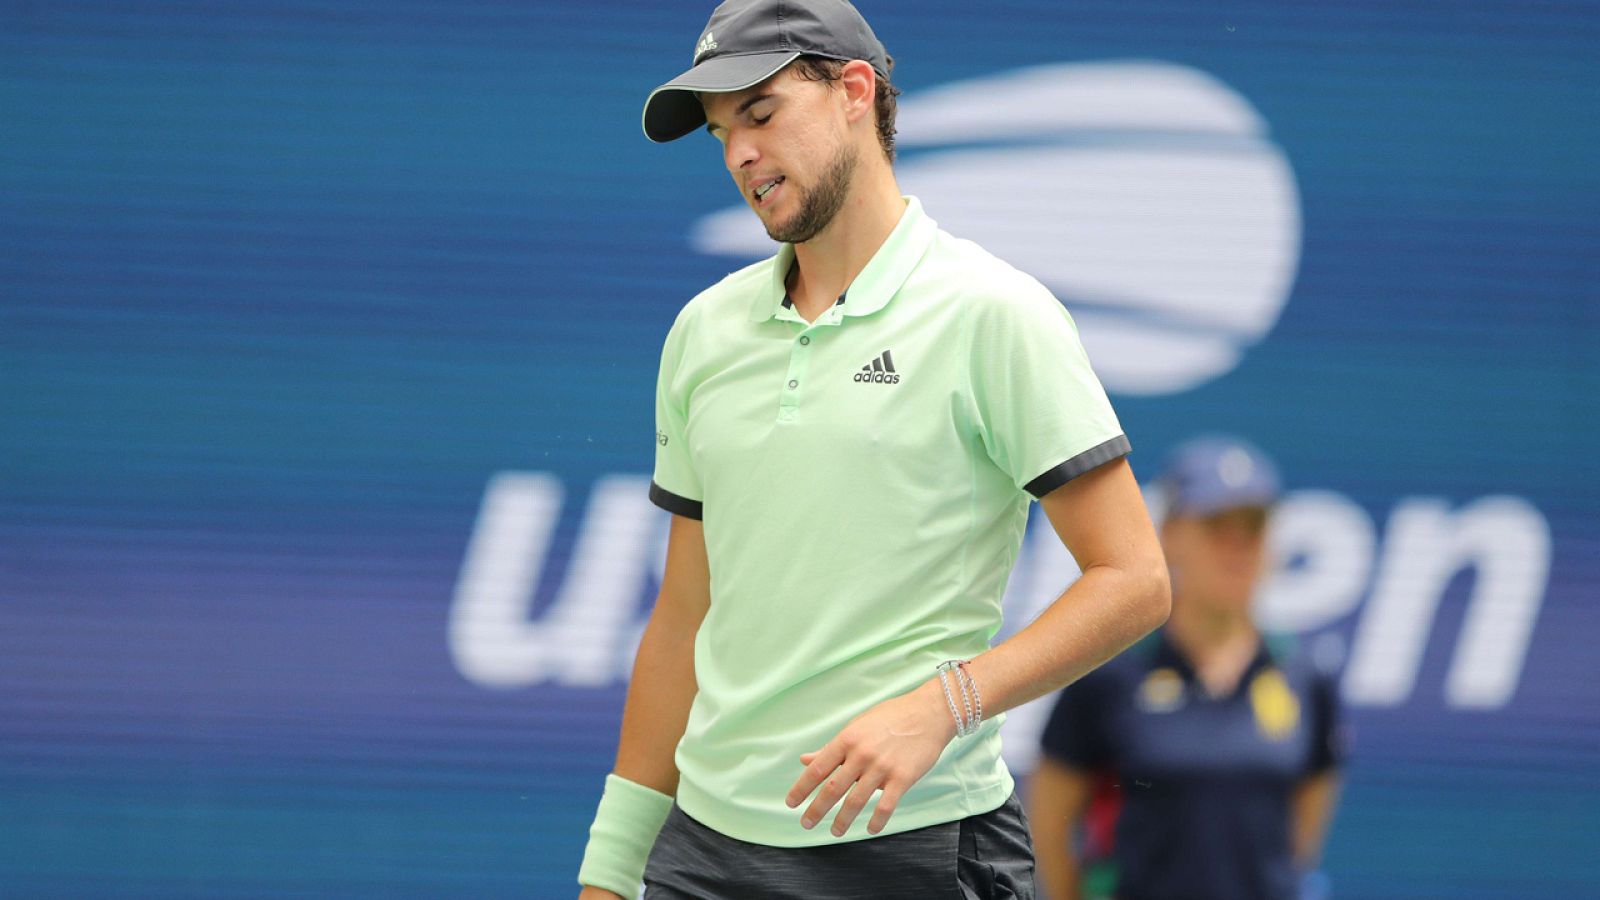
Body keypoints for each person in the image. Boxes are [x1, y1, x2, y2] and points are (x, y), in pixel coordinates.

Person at [576, 2, 1171, 897]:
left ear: (855, 92)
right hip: (703, 852)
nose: (739, 153)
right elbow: (683, 617)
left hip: (917, 844)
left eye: (763, 113)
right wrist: (613, 867)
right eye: (722, 133)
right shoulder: (703, 332)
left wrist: (944, 705)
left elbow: (1134, 579)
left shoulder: (992, 312)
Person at [1029, 436, 1346, 900]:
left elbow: (1302, 831)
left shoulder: (1304, 677)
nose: (1237, 549)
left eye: (1253, 529)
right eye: (1218, 527)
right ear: (1170, 535)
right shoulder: (1111, 676)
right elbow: (1051, 826)